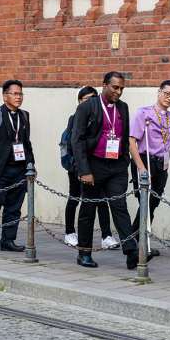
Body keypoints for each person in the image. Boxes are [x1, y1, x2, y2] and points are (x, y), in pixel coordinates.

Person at [70, 72, 136, 269]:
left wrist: (125, 161)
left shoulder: (123, 107)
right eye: (115, 87)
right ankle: (84, 254)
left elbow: (124, 137)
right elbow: (77, 139)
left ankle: (131, 252)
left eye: (122, 88)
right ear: (104, 86)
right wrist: (84, 170)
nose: (119, 92)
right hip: (94, 166)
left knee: (120, 207)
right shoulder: (87, 107)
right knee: (88, 210)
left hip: (116, 166)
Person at [129, 80, 170, 263]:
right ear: (159, 92)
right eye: (167, 93)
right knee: (145, 202)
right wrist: (141, 168)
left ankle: (139, 240)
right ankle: (136, 242)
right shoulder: (143, 113)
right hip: (145, 161)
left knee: (153, 203)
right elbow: (132, 142)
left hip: (162, 164)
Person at [0, 80, 35, 252]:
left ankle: (8, 240)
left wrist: (31, 165)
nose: (18, 97)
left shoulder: (24, 116)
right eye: (14, 94)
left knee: (14, 206)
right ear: (5, 96)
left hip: (19, 168)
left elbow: (26, 144)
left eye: (20, 94)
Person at [62, 87, 115, 249]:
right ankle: (70, 232)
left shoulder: (101, 117)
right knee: (75, 197)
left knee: (101, 200)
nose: (91, 102)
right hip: (77, 167)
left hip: (97, 167)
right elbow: (69, 144)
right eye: (86, 99)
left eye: (93, 98)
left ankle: (106, 236)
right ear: (79, 102)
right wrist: (76, 166)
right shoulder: (74, 119)